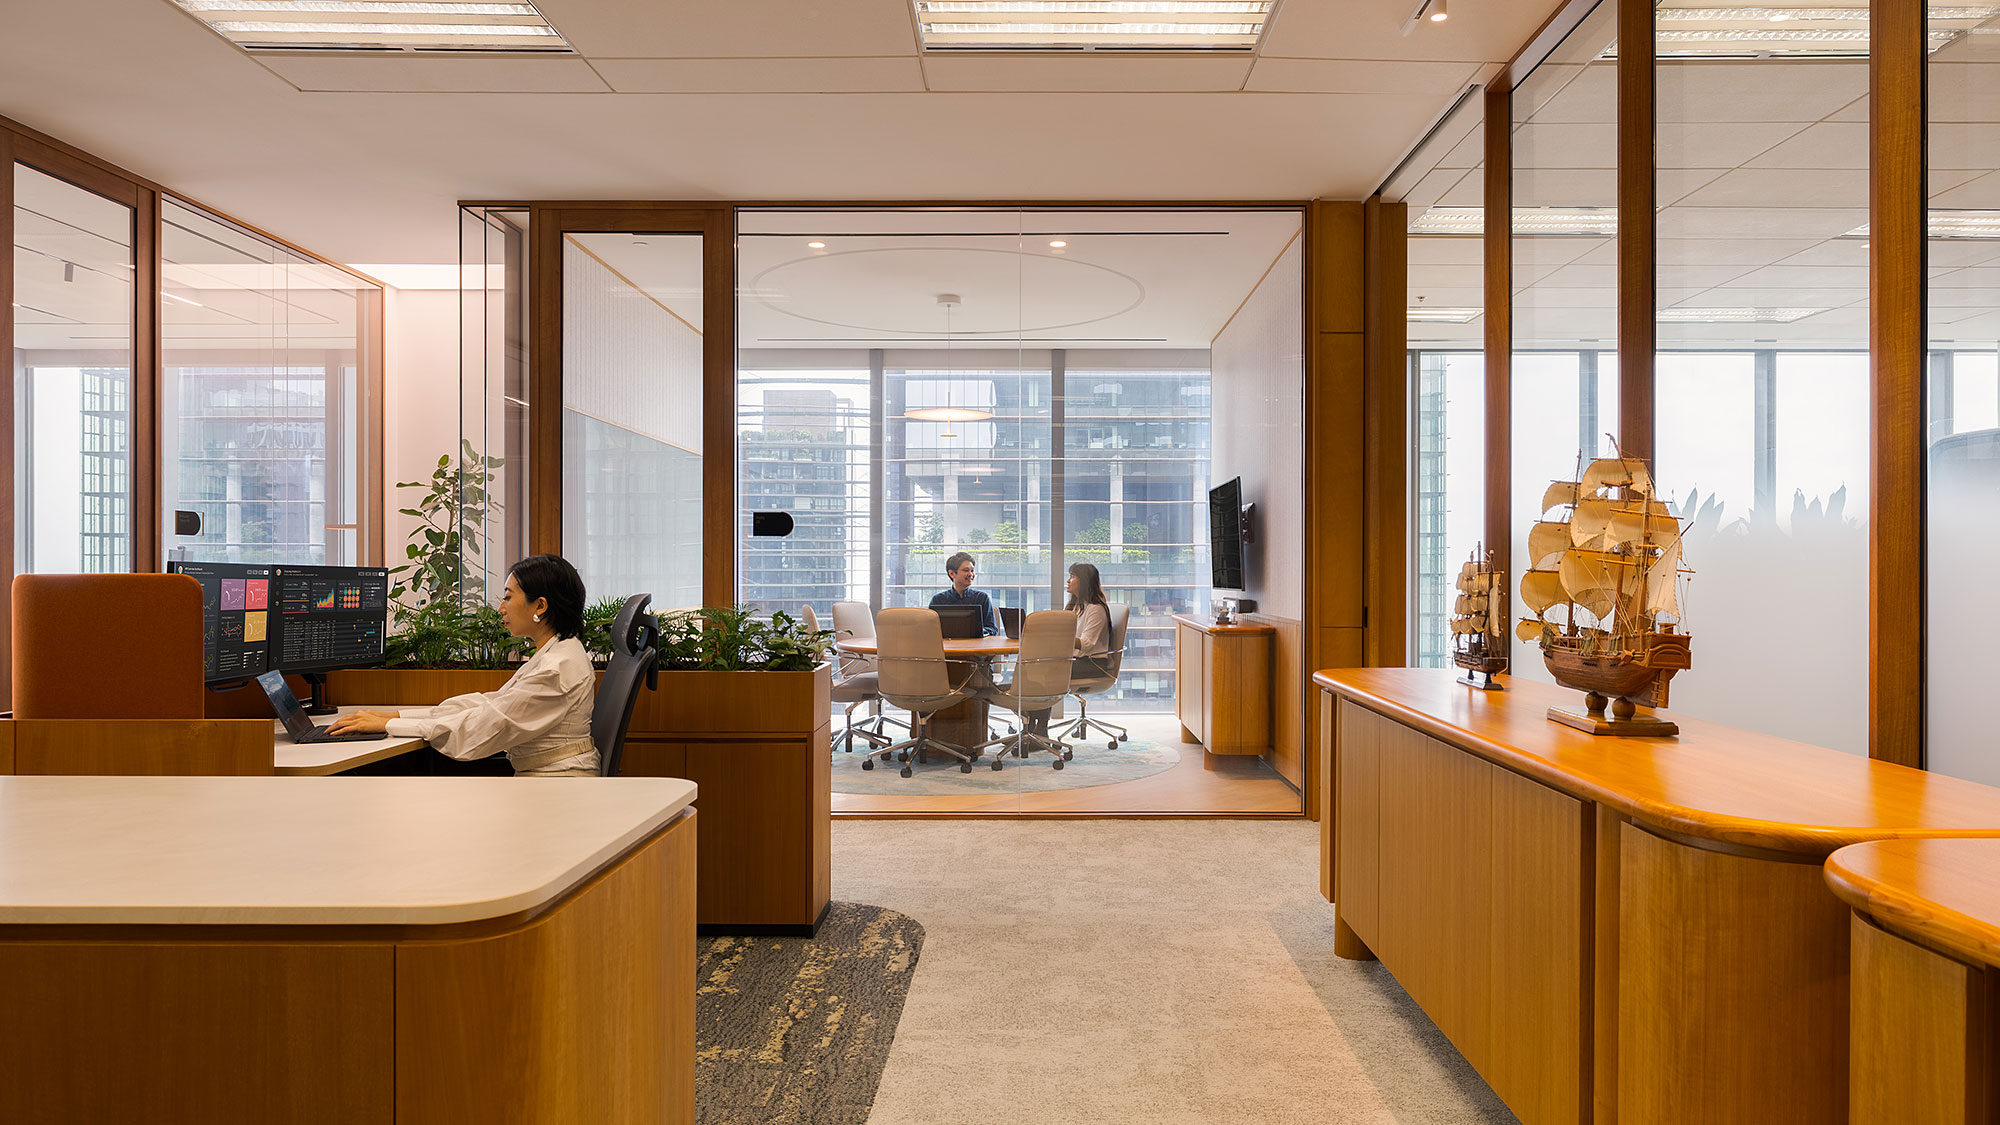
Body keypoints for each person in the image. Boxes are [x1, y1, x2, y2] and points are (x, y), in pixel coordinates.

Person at [328, 555, 600, 777]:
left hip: (558, 782)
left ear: (539, 605)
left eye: (508, 597)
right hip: (547, 775)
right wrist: (399, 718)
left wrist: (389, 724)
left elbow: (480, 730)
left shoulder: (557, 668)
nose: (501, 609)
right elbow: (490, 705)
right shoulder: (556, 653)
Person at [930, 550, 997, 636]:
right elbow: (931, 629)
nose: (970, 574)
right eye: (966, 570)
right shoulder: (938, 600)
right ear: (951, 573)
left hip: (976, 647)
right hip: (948, 648)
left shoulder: (982, 598)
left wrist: (976, 631)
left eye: (972, 570)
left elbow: (992, 629)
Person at [1066, 562, 1114, 677]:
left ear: (1084, 581)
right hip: (1078, 660)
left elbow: (1087, 644)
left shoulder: (1096, 609)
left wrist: (1062, 638)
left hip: (1092, 663)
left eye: (1072, 577)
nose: (1068, 581)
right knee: (1037, 663)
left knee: (1044, 668)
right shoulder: (1075, 606)